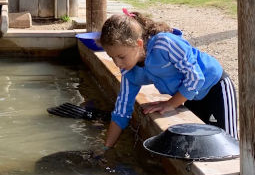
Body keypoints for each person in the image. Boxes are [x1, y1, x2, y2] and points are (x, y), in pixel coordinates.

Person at [100, 9, 237, 150]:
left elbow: (195, 77)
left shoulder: (164, 44)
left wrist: (171, 103)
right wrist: (106, 149)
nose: (117, 63)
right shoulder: (129, 72)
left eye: (121, 57)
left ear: (138, 44)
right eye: (112, 57)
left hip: (216, 88)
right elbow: (122, 110)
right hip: (191, 97)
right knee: (201, 145)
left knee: (228, 144)